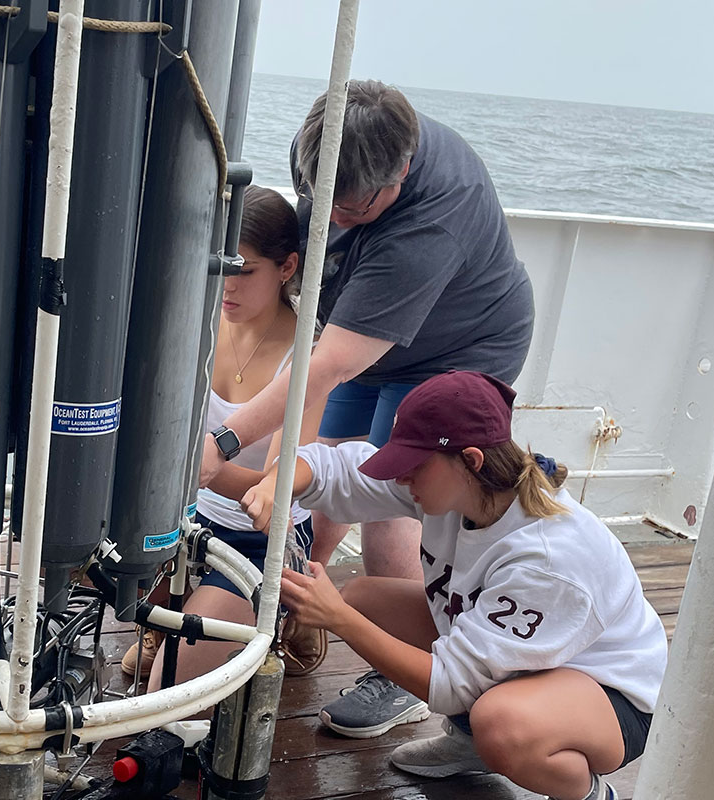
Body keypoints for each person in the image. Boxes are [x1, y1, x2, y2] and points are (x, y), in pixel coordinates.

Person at [200, 79, 536, 736]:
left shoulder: (429, 224)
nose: (334, 218)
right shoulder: (339, 148)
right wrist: (277, 474)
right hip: (369, 332)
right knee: (325, 468)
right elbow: (319, 396)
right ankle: (297, 609)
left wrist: (224, 444)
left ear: (400, 174)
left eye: (352, 209)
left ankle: (404, 671)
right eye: (319, 200)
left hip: (460, 348)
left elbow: (322, 368)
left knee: (393, 498)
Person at [241, 371, 666, 800]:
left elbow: (450, 683)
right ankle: (469, 745)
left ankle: (588, 793)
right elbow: (339, 472)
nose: (402, 478)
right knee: (366, 599)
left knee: (500, 725)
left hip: (614, 695)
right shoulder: (464, 488)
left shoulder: (548, 559)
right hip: (537, 663)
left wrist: (339, 620)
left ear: (472, 460)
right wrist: (275, 486)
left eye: (413, 466)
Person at [119, 185, 323, 689]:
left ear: (288, 267)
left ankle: (280, 611)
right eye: (221, 267)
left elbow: (275, 491)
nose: (227, 286)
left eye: (244, 270)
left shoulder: (307, 357)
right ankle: (179, 602)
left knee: (164, 693)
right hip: (188, 520)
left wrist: (191, 466)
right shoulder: (202, 320)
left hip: (261, 539)